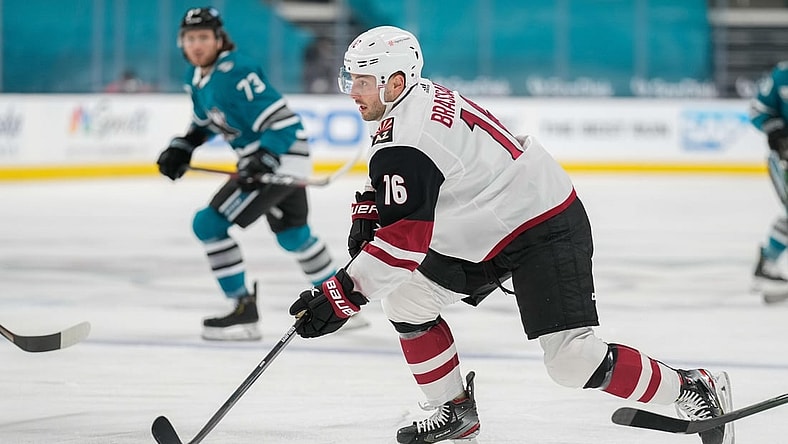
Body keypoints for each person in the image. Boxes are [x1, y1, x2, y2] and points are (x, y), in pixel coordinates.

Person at [287, 26, 734, 444]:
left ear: (396, 81)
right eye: (352, 79)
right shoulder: (408, 102)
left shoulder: (409, 134)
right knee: (407, 301)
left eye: (363, 81)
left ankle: (691, 388)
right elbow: (398, 169)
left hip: (540, 224)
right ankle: (454, 412)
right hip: (483, 224)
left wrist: (342, 294)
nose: (353, 91)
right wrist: (369, 205)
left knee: (572, 362)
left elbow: (406, 240)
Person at [155, 6, 367, 341]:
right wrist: (184, 146)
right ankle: (339, 306)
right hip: (280, 160)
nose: (197, 44)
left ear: (218, 39)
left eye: (204, 37)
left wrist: (266, 157)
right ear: (182, 42)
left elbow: (282, 123)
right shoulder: (195, 78)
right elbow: (204, 123)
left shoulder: (237, 71)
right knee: (293, 235)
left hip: (278, 160)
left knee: (208, 224)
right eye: (190, 38)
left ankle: (243, 311)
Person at [750, 60, 788, 304]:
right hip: (784, 160)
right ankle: (767, 266)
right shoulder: (783, 74)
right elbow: (757, 110)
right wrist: (776, 131)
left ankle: (767, 264)